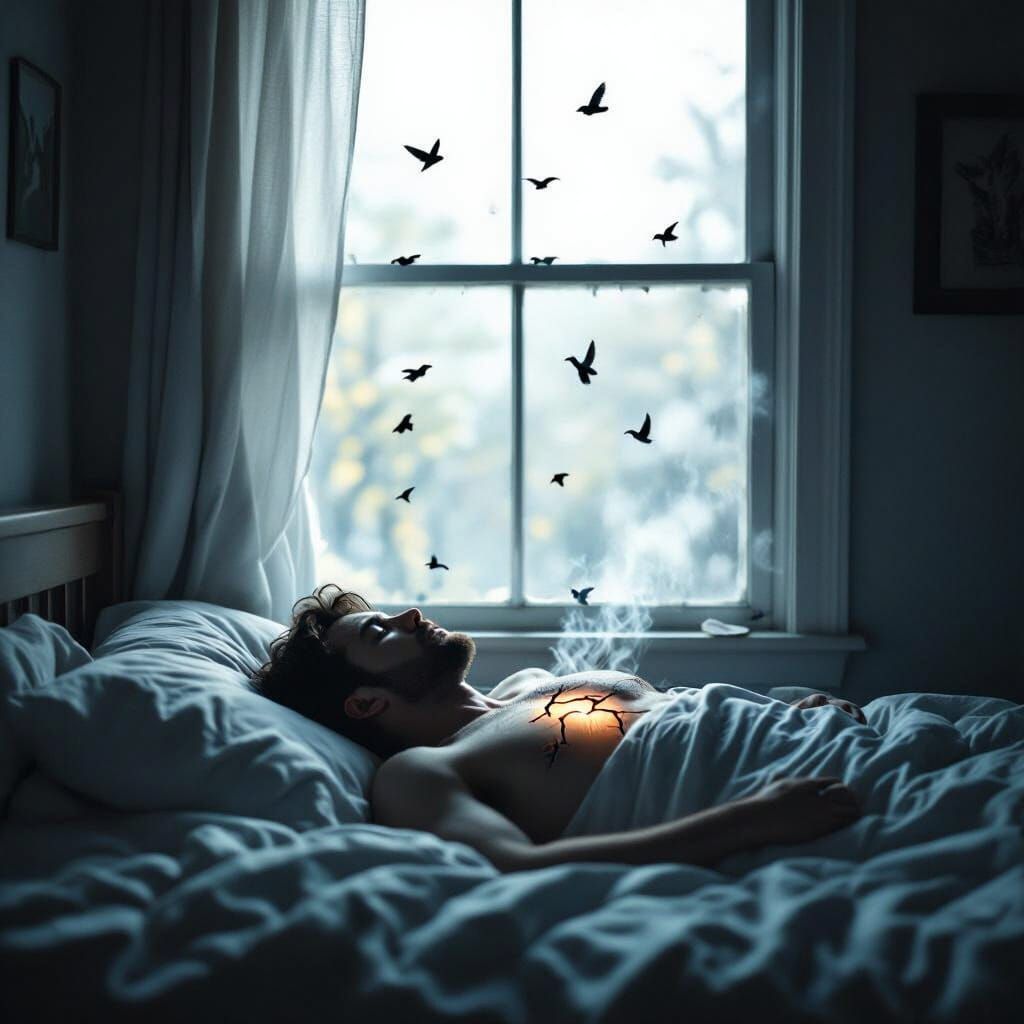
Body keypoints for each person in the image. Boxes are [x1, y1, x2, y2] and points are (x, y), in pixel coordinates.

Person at [252, 584, 864, 874]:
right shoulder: (421, 772)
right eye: (379, 633)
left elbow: (671, 710)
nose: (411, 614)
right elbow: (519, 865)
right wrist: (757, 818)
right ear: (364, 705)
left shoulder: (527, 682)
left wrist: (792, 710)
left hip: (830, 741)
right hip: (795, 807)